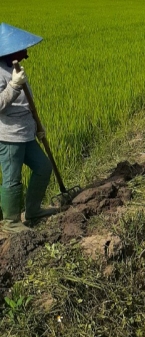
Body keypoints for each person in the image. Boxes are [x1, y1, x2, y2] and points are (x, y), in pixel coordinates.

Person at [0, 23, 57, 233]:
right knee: (12, 179)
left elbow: (26, 103)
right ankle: (11, 222)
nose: (26, 54)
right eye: (22, 50)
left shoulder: (13, 68)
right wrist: (13, 85)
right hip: (8, 136)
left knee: (43, 167)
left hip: (26, 133)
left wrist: (37, 128)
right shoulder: (1, 73)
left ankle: (32, 210)